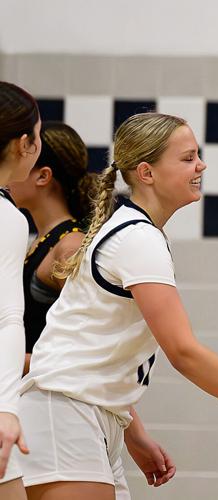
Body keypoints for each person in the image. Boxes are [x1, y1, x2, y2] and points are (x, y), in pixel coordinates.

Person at [19, 112, 218, 500]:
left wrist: (132, 433)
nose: (201, 165)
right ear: (147, 173)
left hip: (86, 414)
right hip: (64, 414)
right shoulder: (138, 239)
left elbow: (95, 349)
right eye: (187, 158)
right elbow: (184, 353)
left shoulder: (134, 231)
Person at [6, 122, 92, 375]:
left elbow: (90, 348)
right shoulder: (44, 240)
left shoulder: (70, 246)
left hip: (53, 405)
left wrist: (14, 360)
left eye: (18, 164)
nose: (10, 175)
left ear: (43, 176)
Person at [0, 81, 41, 500]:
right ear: (23, 144)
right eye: (39, 135)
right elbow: (8, 318)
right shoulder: (7, 217)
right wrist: (7, 408)